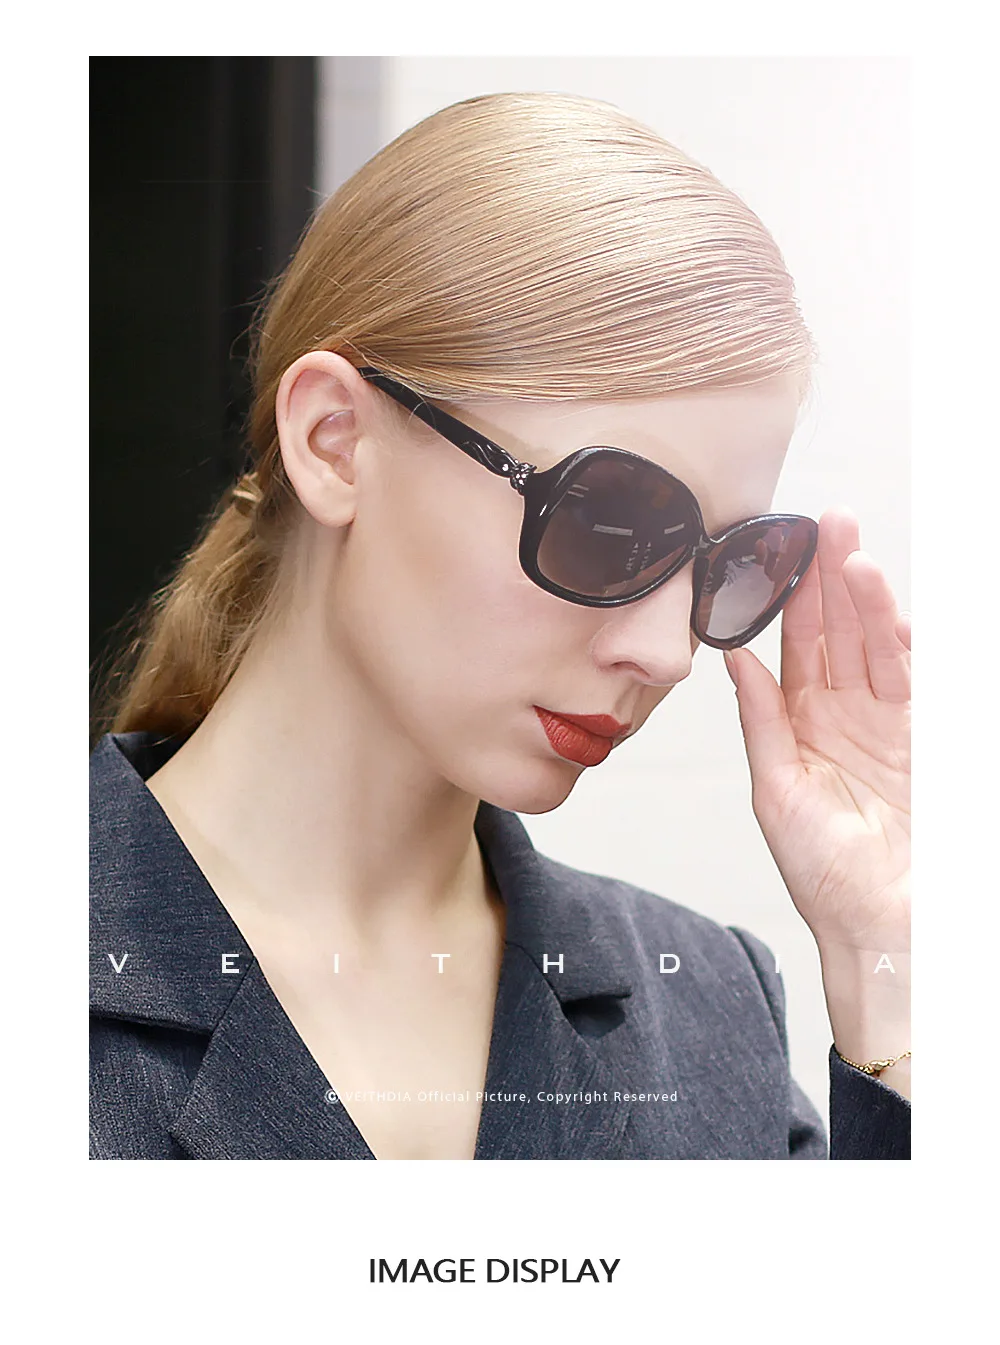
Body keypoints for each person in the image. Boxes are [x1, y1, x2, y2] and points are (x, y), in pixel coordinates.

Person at [89, 90, 910, 1160]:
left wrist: (890, 969)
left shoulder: (709, 1013)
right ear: (335, 440)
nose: (667, 653)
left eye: (725, 565)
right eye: (610, 525)